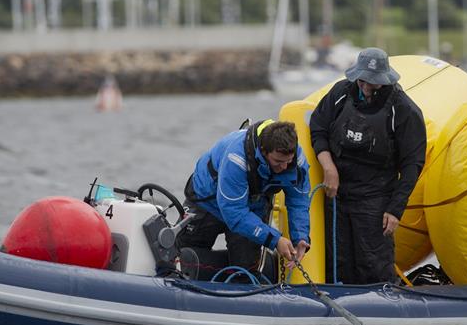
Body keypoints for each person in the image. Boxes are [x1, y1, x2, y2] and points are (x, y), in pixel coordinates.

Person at [310, 47, 426, 284]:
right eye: (362, 81)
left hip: (375, 199)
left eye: (372, 83)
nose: (366, 87)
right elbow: (318, 129)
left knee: (372, 264)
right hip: (337, 195)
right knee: (338, 261)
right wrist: (328, 167)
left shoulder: (403, 109)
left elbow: (413, 164)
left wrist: (395, 209)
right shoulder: (340, 93)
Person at [157, 120, 311, 280]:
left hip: (252, 207)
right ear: (264, 152)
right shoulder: (236, 158)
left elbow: (299, 200)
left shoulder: (296, 161)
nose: (284, 167)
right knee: (177, 262)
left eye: (288, 161)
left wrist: (300, 237)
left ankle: (256, 270)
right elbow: (234, 213)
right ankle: (190, 266)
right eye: (278, 162)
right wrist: (274, 239)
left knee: (246, 273)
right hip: (208, 201)